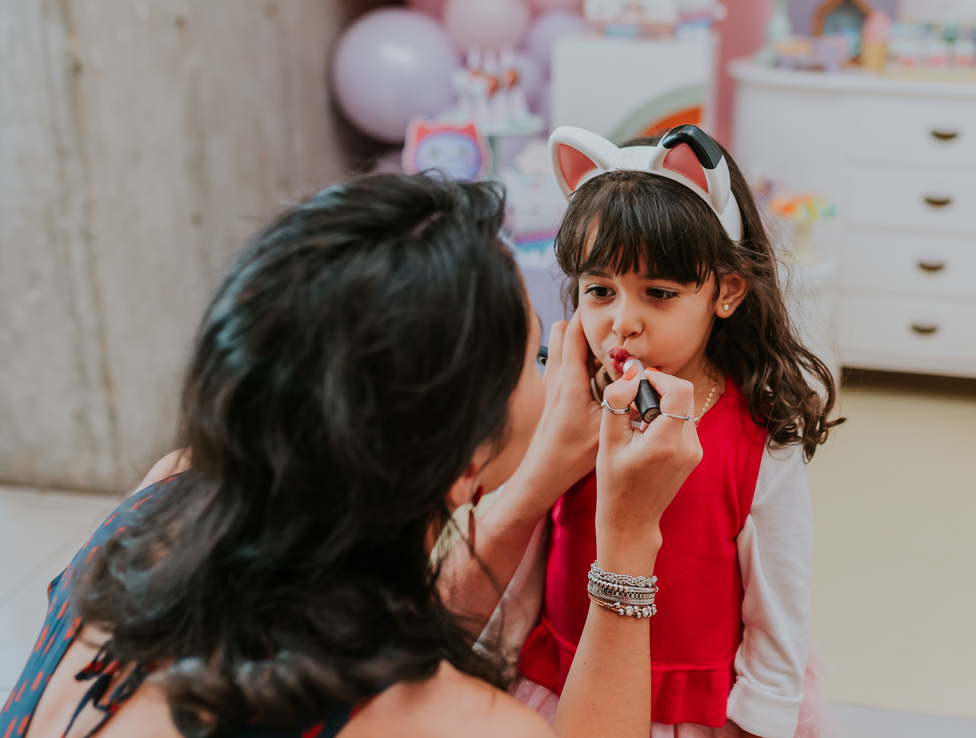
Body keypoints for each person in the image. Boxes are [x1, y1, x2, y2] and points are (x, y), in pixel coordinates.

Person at [0, 174, 703, 738]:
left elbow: (381, 615)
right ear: (462, 466)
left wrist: (532, 482)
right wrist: (628, 542)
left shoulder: (167, 494)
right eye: (539, 357)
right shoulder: (453, 723)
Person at [509, 125, 843, 738]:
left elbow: (779, 614)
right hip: (567, 691)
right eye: (599, 291)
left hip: (695, 714)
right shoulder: (570, 407)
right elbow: (527, 555)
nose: (621, 324)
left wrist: (758, 720)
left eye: (658, 293)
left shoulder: (757, 439)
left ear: (727, 291)